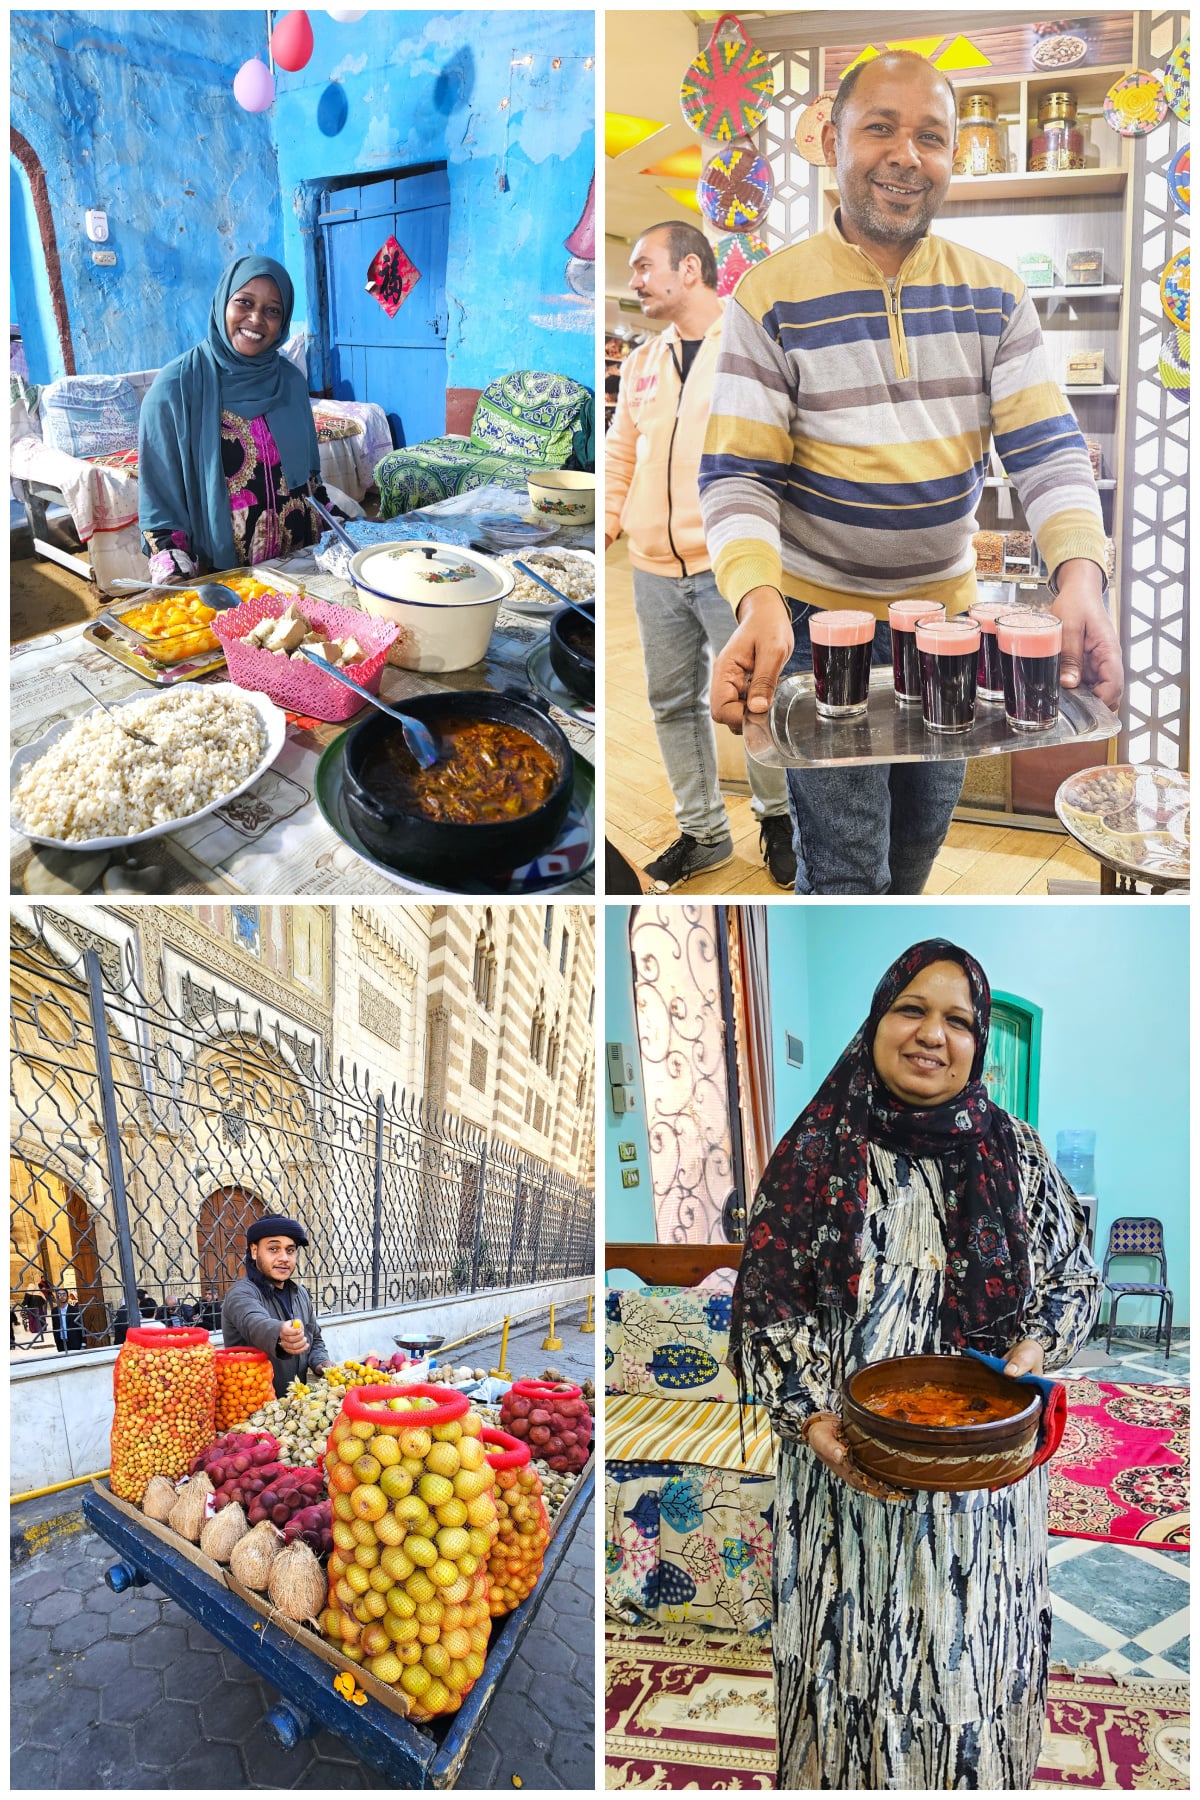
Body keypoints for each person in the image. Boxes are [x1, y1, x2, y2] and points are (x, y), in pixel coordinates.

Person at [702, 53, 1123, 894]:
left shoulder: (995, 295)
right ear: (832, 141)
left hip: (953, 626)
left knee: (921, 843)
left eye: (931, 136)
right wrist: (756, 598)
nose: (905, 156)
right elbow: (739, 475)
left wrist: (1081, 576)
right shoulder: (769, 297)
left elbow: (1045, 449)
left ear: (955, 156)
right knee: (849, 862)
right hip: (812, 623)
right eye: (880, 128)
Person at [728, 938, 1100, 1788]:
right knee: (846, 1670)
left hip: (985, 1495)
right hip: (841, 1483)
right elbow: (767, 1313)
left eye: (959, 1020)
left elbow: (1076, 1281)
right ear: (876, 1023)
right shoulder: (815, 1154)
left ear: (978, 1044)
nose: (934, 1034)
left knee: (966, 1676)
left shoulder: (1017, 1152)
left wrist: (1030, 1353)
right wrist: (816, 1423)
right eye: (912, 1009)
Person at [606, 221, 796, 891]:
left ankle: (780, 821)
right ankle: (704, 833)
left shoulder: (749, 347)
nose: (633, 280)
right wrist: (606, 522)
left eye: (642, 264)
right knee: (669, 703)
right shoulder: (641, 363)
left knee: (758, 700)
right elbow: (622, 452)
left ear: (690, 270)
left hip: (731, 567)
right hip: (653, 569)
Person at [138, 254, 343, 581]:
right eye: (244, 303)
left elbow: (310, 487)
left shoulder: (289, 382)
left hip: (304, 568)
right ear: (223, 303)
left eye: (272, 310)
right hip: (224, 579)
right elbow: (160, 512)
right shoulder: (175, 388)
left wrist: (345, 529)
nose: (256, 319)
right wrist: (178, 578)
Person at [221, 1214, 332, 1397]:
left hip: (294, 1405)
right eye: (273, 1249)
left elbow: (315, 1339)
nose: (284, 1258)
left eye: (290, 1250)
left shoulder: (301, 1294)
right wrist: (280, 1333)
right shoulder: (241, 1293)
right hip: (251, 1410)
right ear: (255, 1251)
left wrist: (321, 1362)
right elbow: (254, 1322)